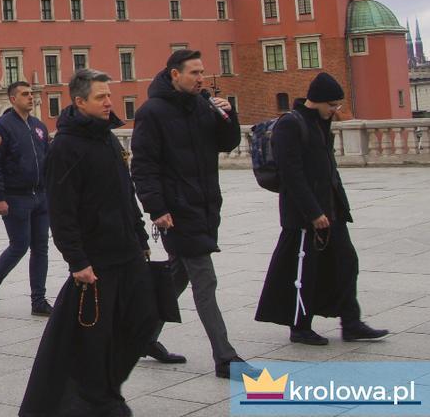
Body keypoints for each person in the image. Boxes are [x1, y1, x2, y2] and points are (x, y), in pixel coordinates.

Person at [20, 70, 156, 417]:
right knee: (90, 338)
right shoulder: (65, 147)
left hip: (126, 251)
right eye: (101, 97)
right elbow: (62, 211)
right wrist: (77, 261)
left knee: (143, 321)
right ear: (79, 102)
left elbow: (126, 193)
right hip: (96, 260)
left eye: (109, 95)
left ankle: (103, 390)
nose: (109, 101)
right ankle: (95, 399)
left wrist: (140, 236)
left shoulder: (107, 138)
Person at [130, 49, 256, 378]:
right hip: (177, 211)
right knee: (205, 279)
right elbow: (143, 166)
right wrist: (156, 208)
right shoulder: (152, 112)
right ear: (175, 74)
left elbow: (226, 144)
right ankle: (225, 358)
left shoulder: (202, 104)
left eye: (202, 72)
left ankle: (143, 338)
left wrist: (230, 115)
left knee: (177, 278)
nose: (201, 78)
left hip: (204, 206)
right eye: (194, 72)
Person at [255, 72, 388, 345]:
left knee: (346, 262)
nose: (335, 111)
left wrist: (335, 206)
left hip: (331, 210)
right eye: (333, 105)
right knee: (303, 271)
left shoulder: (319, 123)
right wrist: (313, 212)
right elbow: (292, 175)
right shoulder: (291, 125)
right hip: (305, 216)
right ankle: (300, 327)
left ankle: (351, 323)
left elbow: (326, 169)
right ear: (317, 101)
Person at [0, 81, 52, 316]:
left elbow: (48, 159)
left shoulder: (38, 126)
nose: (30, 97)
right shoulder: (1, 128)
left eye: (31, 93)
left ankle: (38, 300)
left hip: (40, 196)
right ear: (12, 99)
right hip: (15, 196)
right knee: (20, 245)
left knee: (41, 247)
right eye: (25, 94)